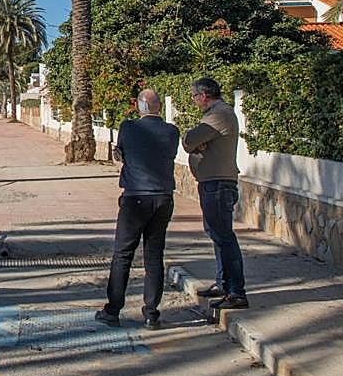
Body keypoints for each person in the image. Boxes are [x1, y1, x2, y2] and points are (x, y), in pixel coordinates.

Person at [95, 89, 180, 330]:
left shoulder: (128, 127)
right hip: (163, 198)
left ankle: (113, 310)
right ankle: (151, 313)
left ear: (138, 107)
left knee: (123, 254)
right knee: (154, 255)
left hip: (135, 197)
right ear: (159, 108)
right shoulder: (172, 131)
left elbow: (121, 153)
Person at [183, 77, 248, 310]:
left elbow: (190, 140)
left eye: (193, 96)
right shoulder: (214, 114)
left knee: (223, 236)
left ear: (203, 95)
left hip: (219, 184)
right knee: (216, 233)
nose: (193, 101)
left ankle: (236, 291)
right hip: (212, 182)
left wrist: (195, 142)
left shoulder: (219, 114)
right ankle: (223, 283)